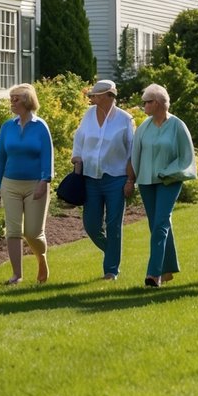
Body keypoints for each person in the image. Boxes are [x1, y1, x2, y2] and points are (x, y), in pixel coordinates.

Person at [128, 84, 197, 288]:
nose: (144, 106)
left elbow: (186, 156)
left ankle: (154, 273)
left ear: (158, 103)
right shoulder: (143, 127)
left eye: (147, 102)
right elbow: (135, 155)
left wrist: (169, 171)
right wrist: (131, 180)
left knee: (160, 224)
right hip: (147, 182)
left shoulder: (177, 125)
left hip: (170, 180)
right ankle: (168, 269)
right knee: (157, 225)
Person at [71, 78, 134, 281]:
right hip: (90, 178)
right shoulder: (88, 115)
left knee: (114, 224)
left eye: (97, 95)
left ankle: (111, 270)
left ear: (109, 96)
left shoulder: (124, 119)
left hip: (116, 178)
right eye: (93, 95)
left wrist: (130, 180)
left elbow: (132, 152)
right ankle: (112, 251)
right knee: (91, 225)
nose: (93, 98)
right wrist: (77, 158)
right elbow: (79, 139)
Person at [0, 83, 54, 285]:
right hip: (10, 184)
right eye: (11, 98)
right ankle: (16, 275)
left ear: (27, 101)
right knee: (13, 231)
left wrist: (44, 181)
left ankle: (41, 258)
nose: (12, 102)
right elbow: (0, 158)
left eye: (16, 98)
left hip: (35, 184)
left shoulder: (40, 126)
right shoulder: (7, 127)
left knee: (33, 232)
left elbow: (47, 156)